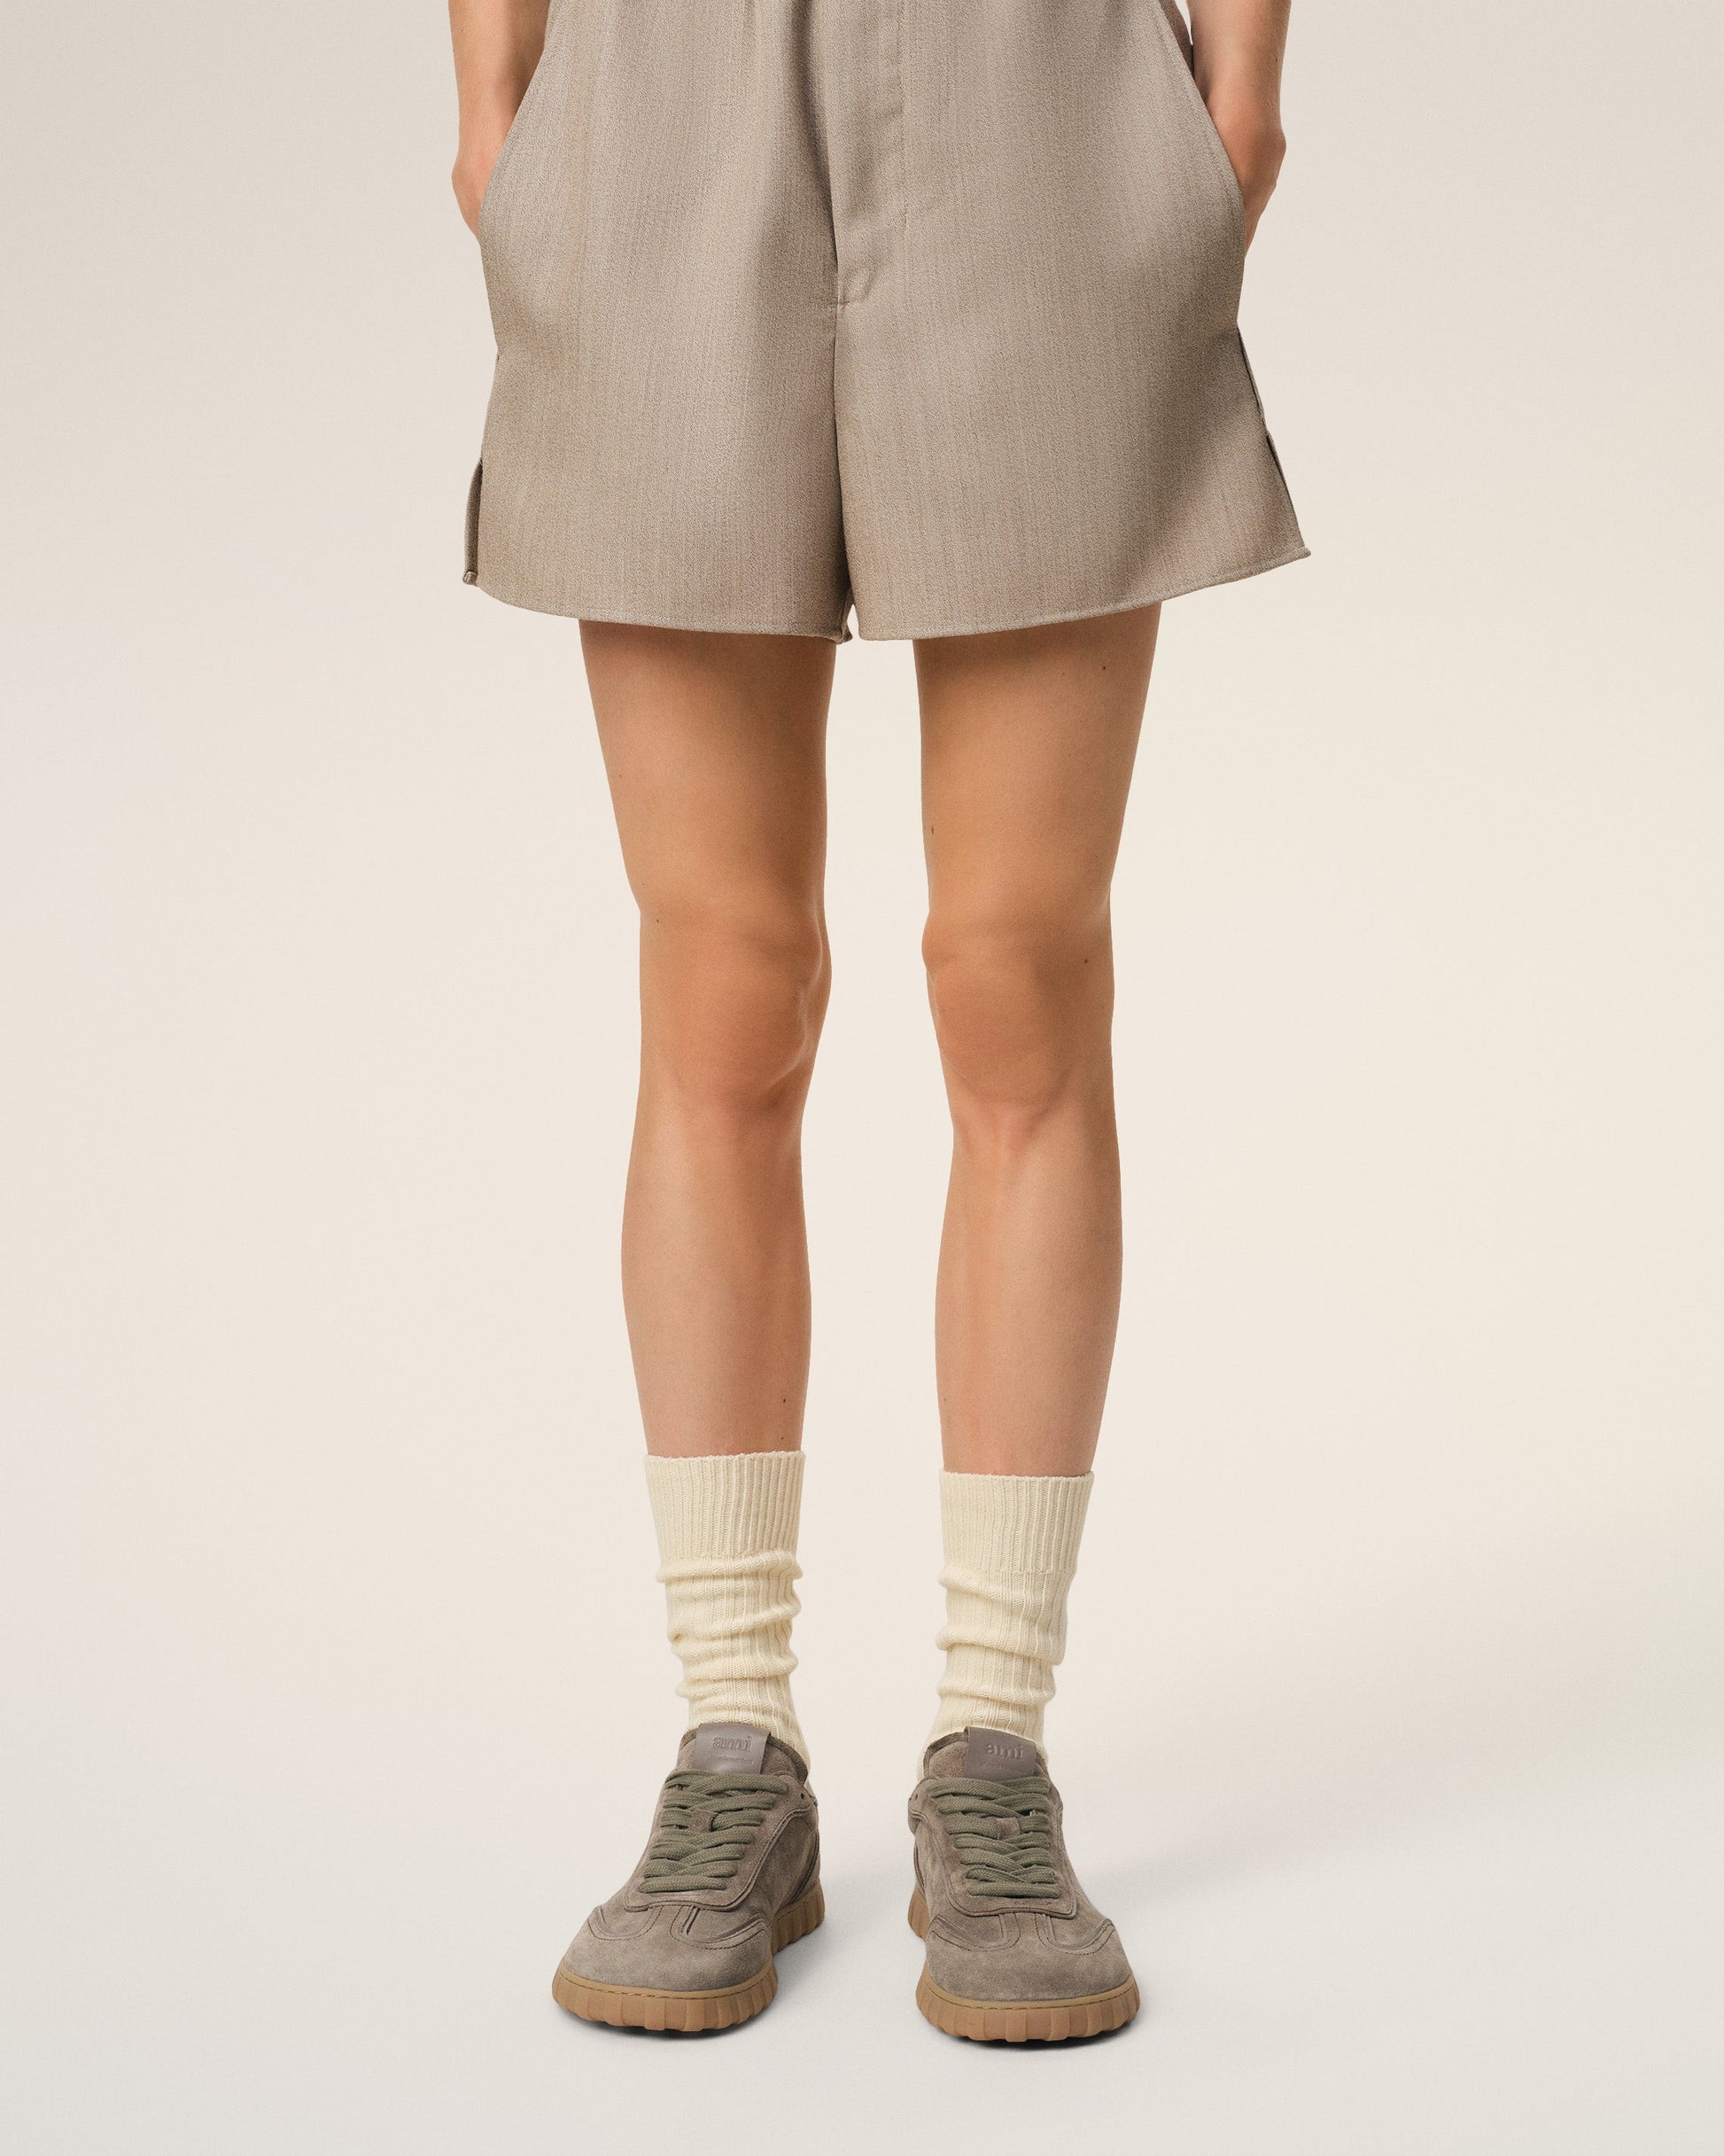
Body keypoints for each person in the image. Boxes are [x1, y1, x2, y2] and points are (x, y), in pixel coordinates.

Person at [447, 0, 1304, 2043]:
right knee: (722, 979)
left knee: (1014, 967)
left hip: (1041, 93)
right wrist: (492, 107)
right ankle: (731, 1743)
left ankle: (991, 1751)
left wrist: (1240, 97)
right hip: (654, 103)